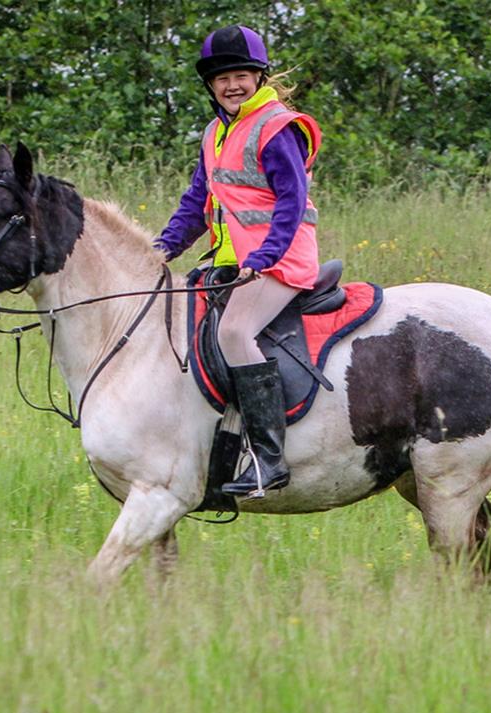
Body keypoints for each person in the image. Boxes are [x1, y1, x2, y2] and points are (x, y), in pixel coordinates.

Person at [154, 25, 323, 498]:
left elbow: (292, 201)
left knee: (234, 332)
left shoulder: (276, 126)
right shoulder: (215, 132)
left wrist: (266, 255)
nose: (231, 85)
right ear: (210, 85)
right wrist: (161, 249)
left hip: (281, 259)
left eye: (241, 75)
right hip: (232, 262)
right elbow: (196, 203)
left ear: (259, 76)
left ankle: (270, 460)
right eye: (221, 77)